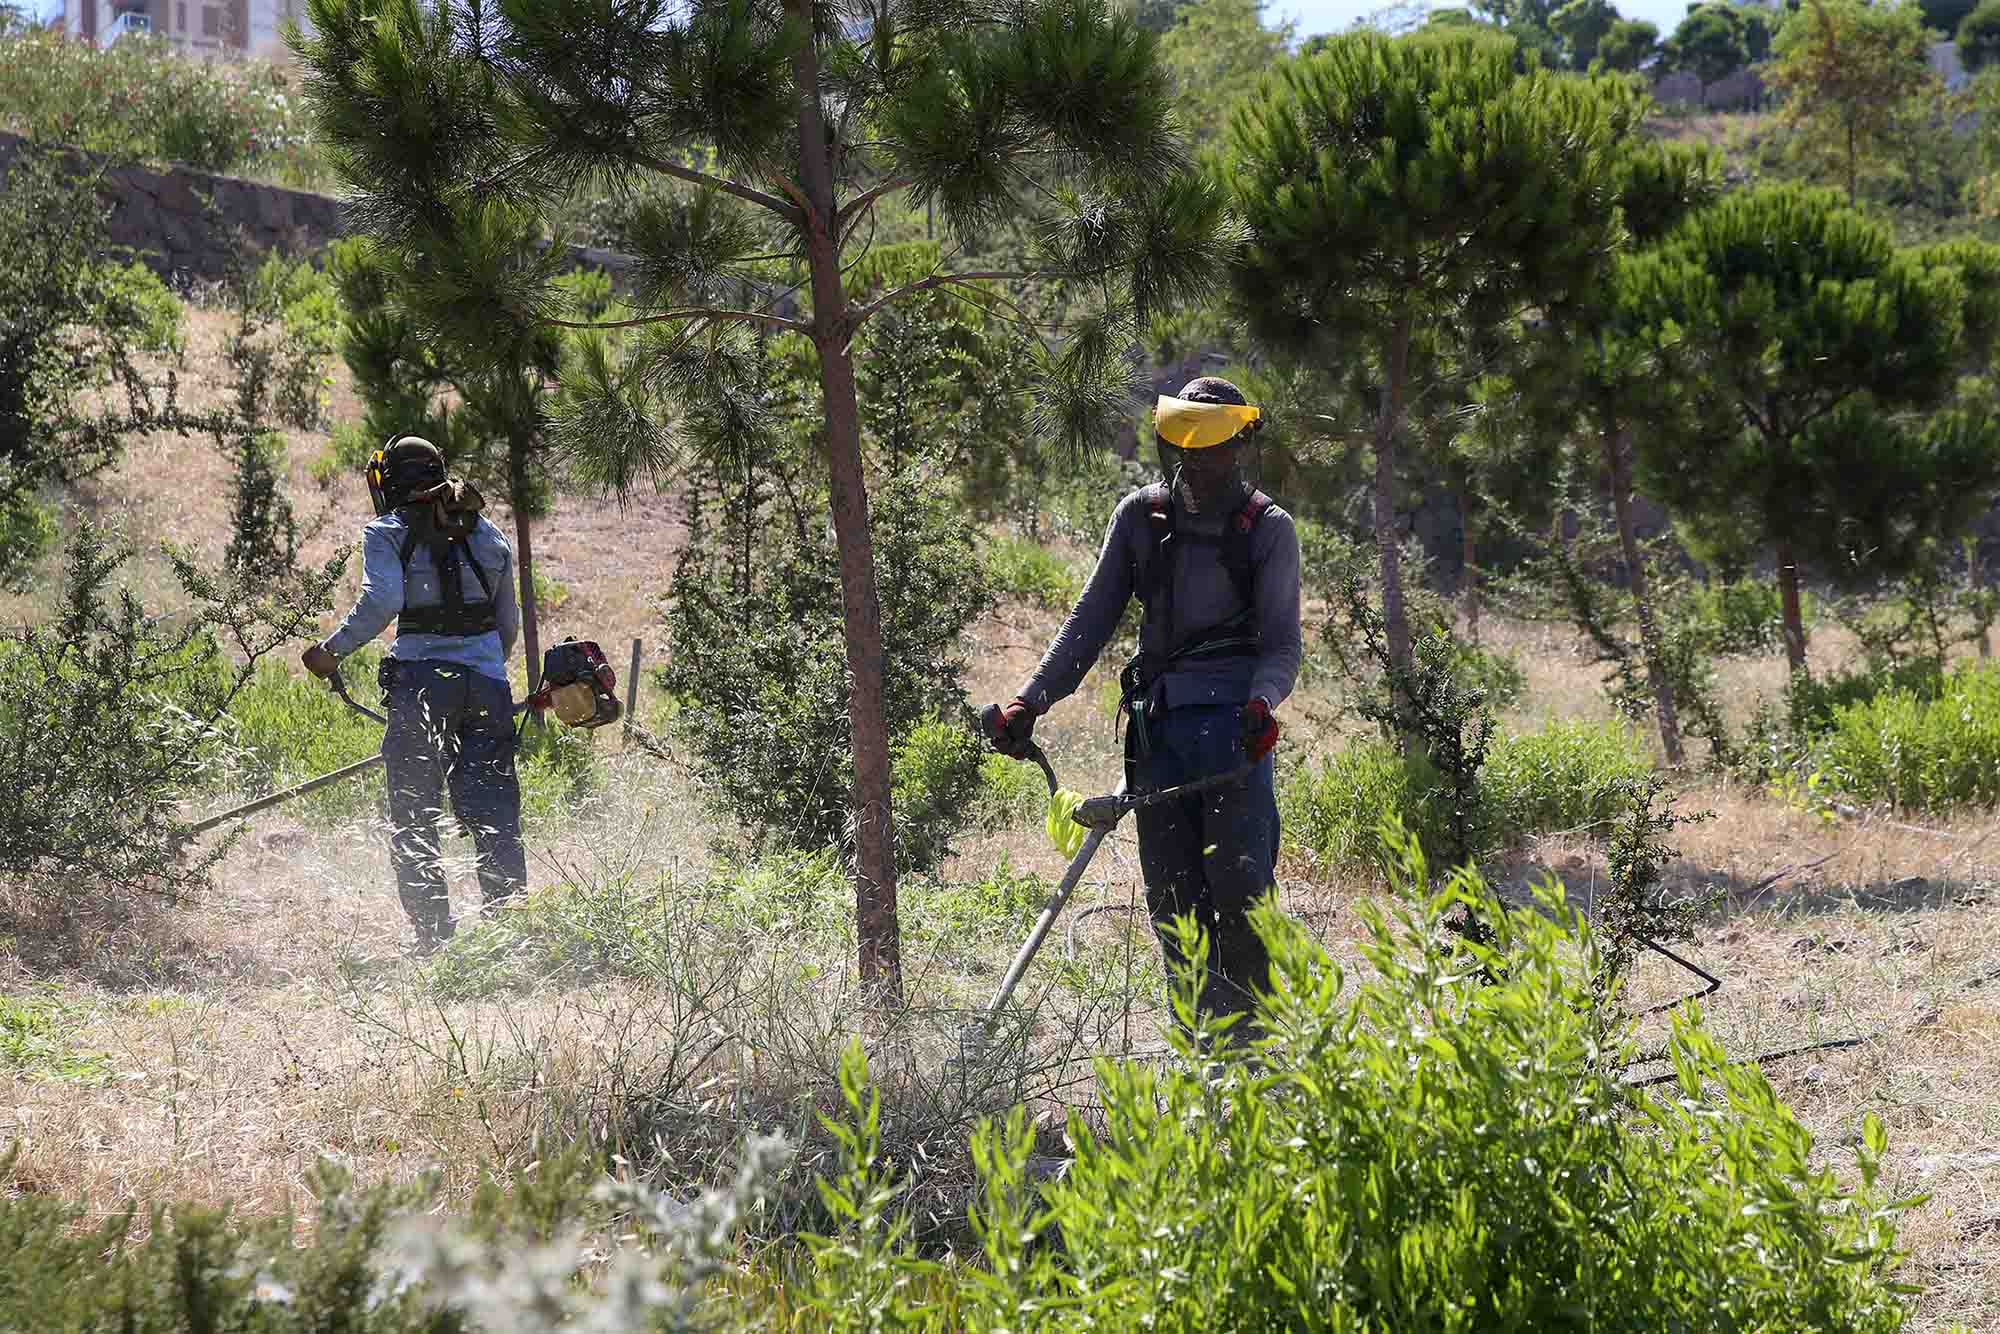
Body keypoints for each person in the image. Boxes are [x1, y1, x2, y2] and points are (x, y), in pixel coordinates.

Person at [986, 377, 1302, 1034]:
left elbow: (1282, 646)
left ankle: (1253, 1063)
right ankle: (1199, 1059)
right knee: (1175, 908)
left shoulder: (1268, 529)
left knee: (1242, 902)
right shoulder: (1140, 517)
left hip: (1235, 745)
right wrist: (1030, 701)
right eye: (1186, 447)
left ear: (1240, 444)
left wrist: (1262, 704)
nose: (1197, 460)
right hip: (1157, 741)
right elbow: (1088, 622)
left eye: (1212, 448)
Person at [302, 436, 525, 954]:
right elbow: (507, 625)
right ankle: (511, 937)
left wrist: (331, 651)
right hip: (488, 685)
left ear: (391, 482)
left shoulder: (386, 533)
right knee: (494, 810)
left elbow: (385, 600)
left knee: (414, 811)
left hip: (422, 685)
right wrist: (483, 670)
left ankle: (434, 940)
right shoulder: (487, 534)